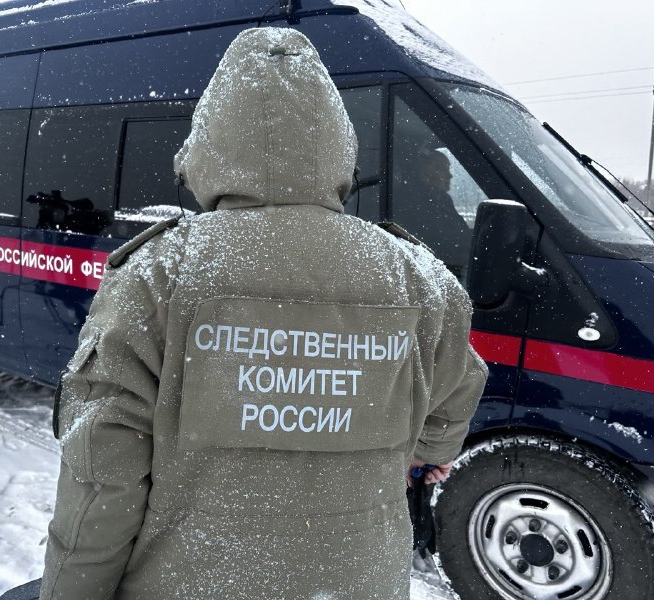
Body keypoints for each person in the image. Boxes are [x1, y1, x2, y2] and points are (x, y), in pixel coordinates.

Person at [40, 27, 487, 599]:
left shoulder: (160, 272)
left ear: (208, 145)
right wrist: (425, 452)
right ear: (338, 147)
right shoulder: (419, 277)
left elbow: (104, 468)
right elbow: (457, 391)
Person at [394, 149, 471, 274]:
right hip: (436, 271)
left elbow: (460, 232)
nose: (449, 175)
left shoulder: (443, 199)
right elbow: (445, 240)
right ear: (423, 172)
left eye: (447, 169)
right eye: (440, 168)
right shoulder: (411, 201)